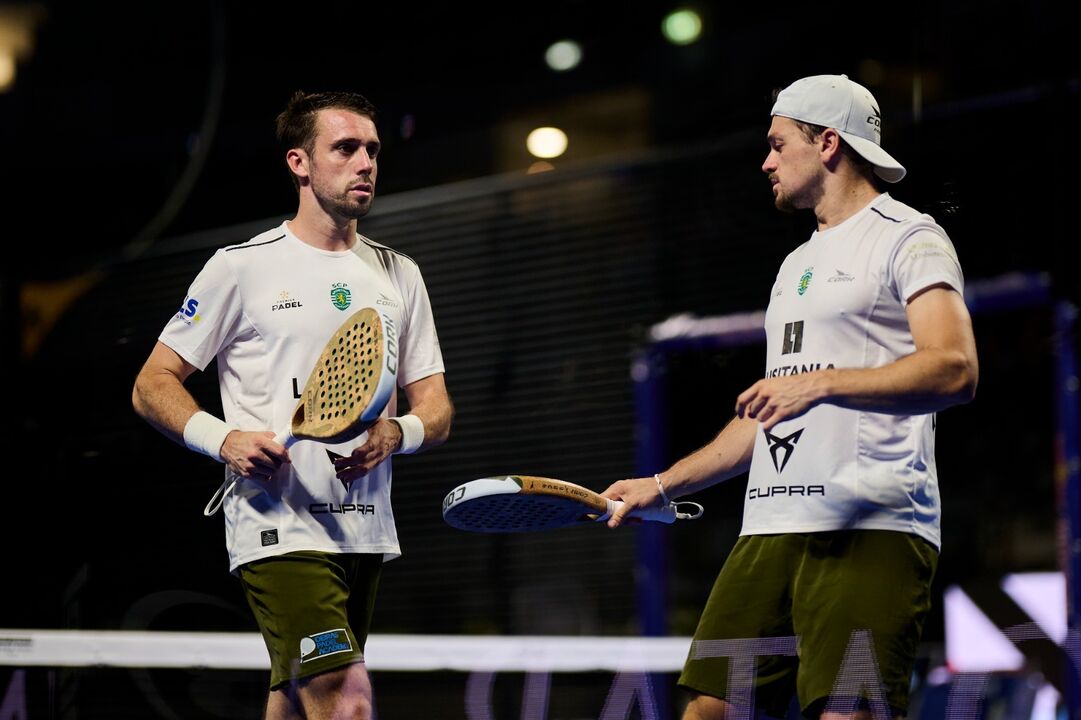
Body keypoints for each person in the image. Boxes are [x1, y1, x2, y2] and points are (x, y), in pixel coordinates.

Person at [603, 74, 979, 719]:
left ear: (828, 142)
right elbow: (769, 413)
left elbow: (955, 369)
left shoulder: (909, 237)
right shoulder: (793, 266)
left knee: (844, 713)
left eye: (778, 145)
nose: (766, 161)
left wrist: (824, 380)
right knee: (706, 709)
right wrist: (661, 484)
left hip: (872, 525)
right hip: (772, 528)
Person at [132, 90, 453, 720]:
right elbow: (153, 383)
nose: (366, 162)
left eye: (373, 150)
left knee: (294, 701)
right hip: (277, 530)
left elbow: (436, 406)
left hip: (364, 531)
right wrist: (221, 438)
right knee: (348, 701)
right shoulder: (241, 268)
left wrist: (400, 433)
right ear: (299, 163)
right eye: (346, 148)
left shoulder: (399, 273)